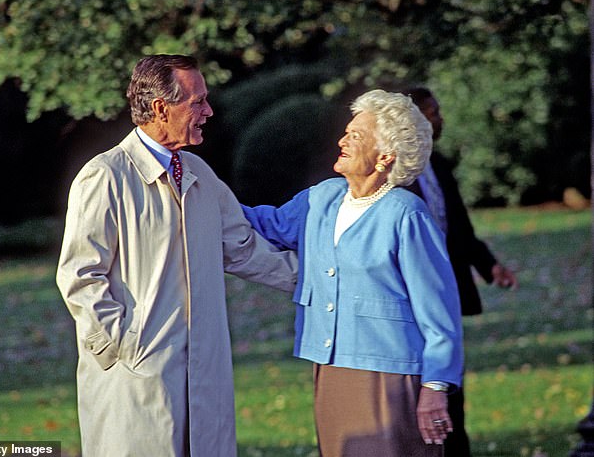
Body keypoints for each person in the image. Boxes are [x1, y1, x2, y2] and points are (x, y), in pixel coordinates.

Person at [56, 54, 298, 457]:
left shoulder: (201, 174)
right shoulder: (105, 176)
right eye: (198, 101)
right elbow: (80, 277)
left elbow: (244, 251)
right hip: (136, 376)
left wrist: (323, 279)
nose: (209, 110)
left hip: (203, 375)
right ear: (160, 108)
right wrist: (125, 349)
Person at [242, 89, 464, 457]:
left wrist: (435, 387)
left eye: (356, 135)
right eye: (347, 132)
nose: (342, 140)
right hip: (330, 370)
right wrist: (205, 196)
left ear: (385, 157)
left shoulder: (407, 214)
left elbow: (439, 310)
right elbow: (266, 223)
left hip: (389, 377)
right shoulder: (322, 197)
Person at [403, 86, 519, 457]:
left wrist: (489, 266)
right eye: (432, 112)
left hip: (446, 291)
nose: (439, 118)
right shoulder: (397, 175)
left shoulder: (438, 165)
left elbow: (459, 228)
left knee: (450, 384)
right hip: (410, 299)